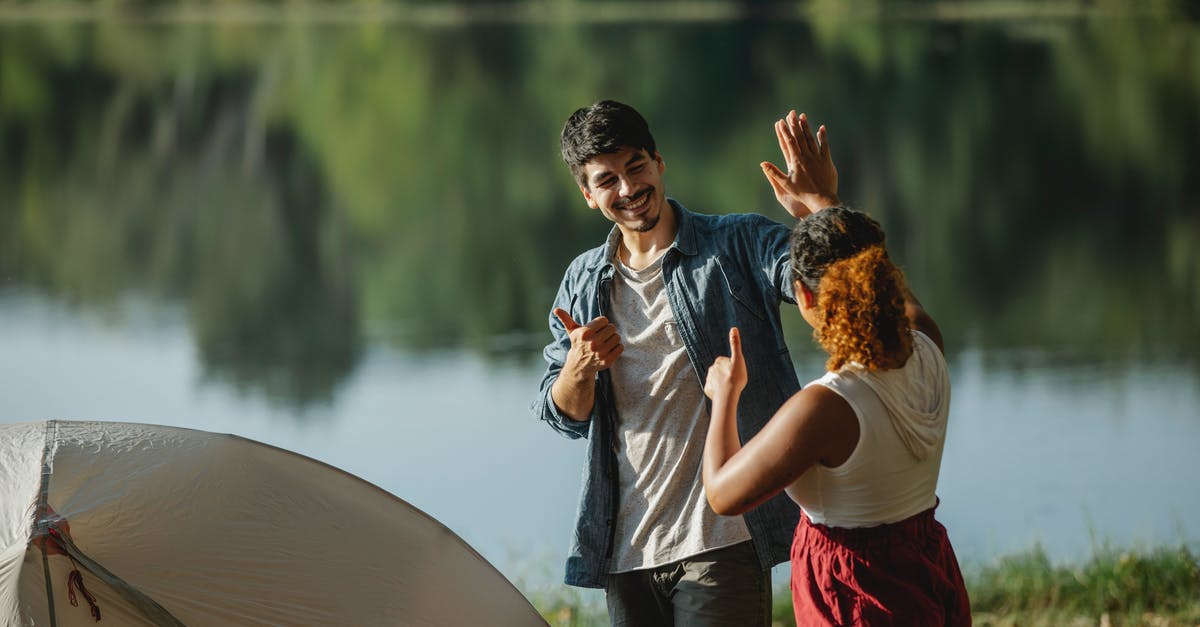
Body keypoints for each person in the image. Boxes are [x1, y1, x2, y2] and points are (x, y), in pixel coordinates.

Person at [531, 100, 840, 625]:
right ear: (587, 195)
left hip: (723, 536)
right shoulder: (582, 281)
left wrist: (822, 206)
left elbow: (825, 283)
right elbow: (562, 413)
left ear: (659, 161)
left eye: (636, 167)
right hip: (626, 550)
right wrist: (578, 368)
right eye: (607, 180)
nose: (628, 189)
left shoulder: (736, 242)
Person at [701, 205, 972, 625]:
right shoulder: (927, 348)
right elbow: (899, 299)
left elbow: (722, 494)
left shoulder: (826, 408)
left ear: (804, 296)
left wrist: (725, 395)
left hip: (858, 591)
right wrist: (823, 199)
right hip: (926, 568)